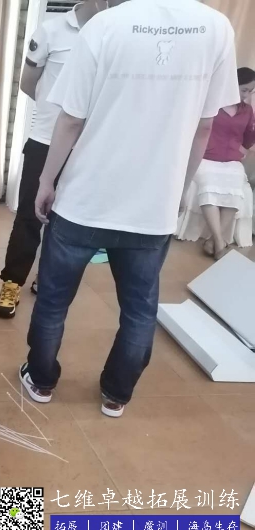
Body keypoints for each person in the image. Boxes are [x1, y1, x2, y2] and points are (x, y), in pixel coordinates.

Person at [18, 0, 239, 418]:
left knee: (52, 302)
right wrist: (179, 188)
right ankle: (116, 394)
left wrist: (47, 181)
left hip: (84, 202)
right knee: (139, 310)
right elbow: (204, 126)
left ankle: (41, 381)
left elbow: (71, 120)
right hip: (152, 209)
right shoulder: (216, 28)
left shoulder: (106, 25)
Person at [0, 0, 107, 319]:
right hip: (45, 141)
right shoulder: (51, 30)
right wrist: (54, 109)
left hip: (88, 146)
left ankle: (46, 279)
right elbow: (28, 84)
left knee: (66, 222)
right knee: (29, 218)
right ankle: (12, 283)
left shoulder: (113, 33)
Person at [195, 67, 255, 259]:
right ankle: (220, 242)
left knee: (236, 190)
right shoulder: (211, 103)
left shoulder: (247, 111)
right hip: (206, 157)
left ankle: (213, 241)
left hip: (231, 160)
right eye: (243, 90)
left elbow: (248, 137)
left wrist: (243, 147)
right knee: (208, 187)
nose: (246, 95)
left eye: (250, 91)